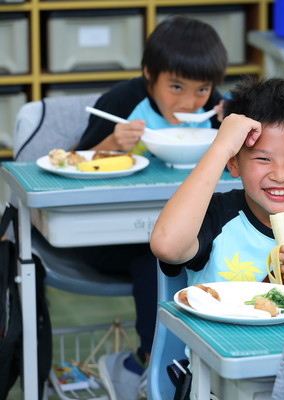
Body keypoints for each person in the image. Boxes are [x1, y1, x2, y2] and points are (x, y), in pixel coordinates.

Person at [74, 15, 228, 400]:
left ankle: (198, 364)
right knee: (158, 256)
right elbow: (71, 164)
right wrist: (109, 144)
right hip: (106, 239)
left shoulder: (219, 110)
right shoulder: (124, 102)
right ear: (149, 75)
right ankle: (144, 363)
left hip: (185, 234)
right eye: (175, 86)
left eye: (201, 90)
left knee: (211, 251)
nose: (190, 102)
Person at [150, 76, 284, 294]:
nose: (280, 175)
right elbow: (167, 247)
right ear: (233, 164)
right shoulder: (216, 217)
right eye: (263, 159)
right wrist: (222, 146)